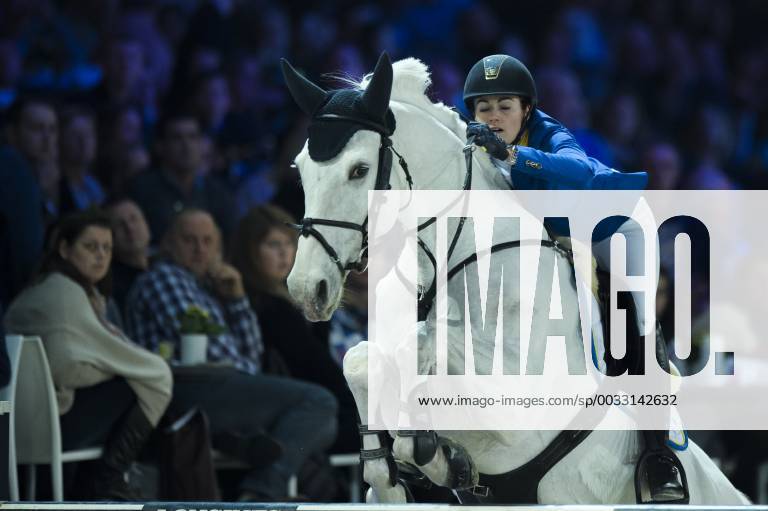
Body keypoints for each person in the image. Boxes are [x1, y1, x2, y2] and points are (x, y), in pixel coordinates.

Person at [463, 54, 685, 504]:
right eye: (483, 107)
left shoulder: (549, 133)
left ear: (527, 109)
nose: (494, 116)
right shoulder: (473, 145)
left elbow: (580, 169)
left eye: (505, 105)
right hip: (558, 239)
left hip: (617, 230)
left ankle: (659, 458)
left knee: (631, 331)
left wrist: (513, 154)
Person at [125, 208, 338, 500]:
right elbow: (219, 354)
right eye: (189, 240)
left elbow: (251, 356)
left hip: (217, 386)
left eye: (207, 241)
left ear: (219, 245)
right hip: (183, 391)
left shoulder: (208, 285)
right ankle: (261, 492)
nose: (200, 249)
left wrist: (237, 300)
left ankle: (241, 446)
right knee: (319, 402)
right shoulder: (165, 279)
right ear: (168, 243)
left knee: (325, 420)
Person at [3, 210, 172, 499]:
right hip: (48, 423)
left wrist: (113, 364)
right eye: (91, 247)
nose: (101, 256)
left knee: (137, 378)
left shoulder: (52, 287)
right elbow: (66, 366)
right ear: (65, 249)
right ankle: (108, 478)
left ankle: (104, 479)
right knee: (144, 381)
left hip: (22, 425)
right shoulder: (64, 292)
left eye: (107, 248)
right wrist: (115, 367)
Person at [231, 204, 358, 453]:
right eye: (272, 244)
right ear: (249, 251)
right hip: (289, 411)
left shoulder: (287, 300)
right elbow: (311, 363)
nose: (284, 253)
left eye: (289, 243)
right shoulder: (268, 306)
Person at [125, 111, 236, 244]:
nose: (186, 146)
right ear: (160, 146)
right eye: (177, 138)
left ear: (202, 144)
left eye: (193, 137)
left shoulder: (220, 193)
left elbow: (231, 241)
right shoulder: (140, 190)